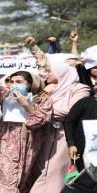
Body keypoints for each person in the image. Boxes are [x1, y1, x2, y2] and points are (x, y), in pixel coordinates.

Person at [25, 37, 91, 193]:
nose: (46, 75)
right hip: (45, 136)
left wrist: (42, 107)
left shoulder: (80, 89)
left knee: (55, 174)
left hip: (65, 139)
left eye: (50, 71)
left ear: (61, 72)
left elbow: (70, 111)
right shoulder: (49, 89)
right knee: (42, 172)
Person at [62, 96, 97, 192]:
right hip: (81, 155)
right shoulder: (86, 102)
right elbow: (69, 122)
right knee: (79, 185)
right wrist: (71, 143)